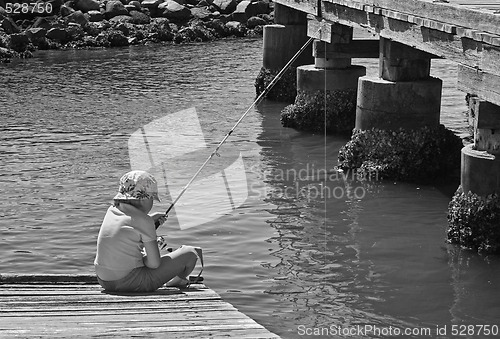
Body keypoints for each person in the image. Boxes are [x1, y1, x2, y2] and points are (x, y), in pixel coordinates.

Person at [94, 170, 199, 292]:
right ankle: (178, 281)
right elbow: (154, 264)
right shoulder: (145, 222)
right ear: (143, 199)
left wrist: (148, 220)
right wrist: (148, 225)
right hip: (131, 282)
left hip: (104, 280)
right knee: (190, 253)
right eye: (152, 199)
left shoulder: (112, 211)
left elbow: (129, 227)